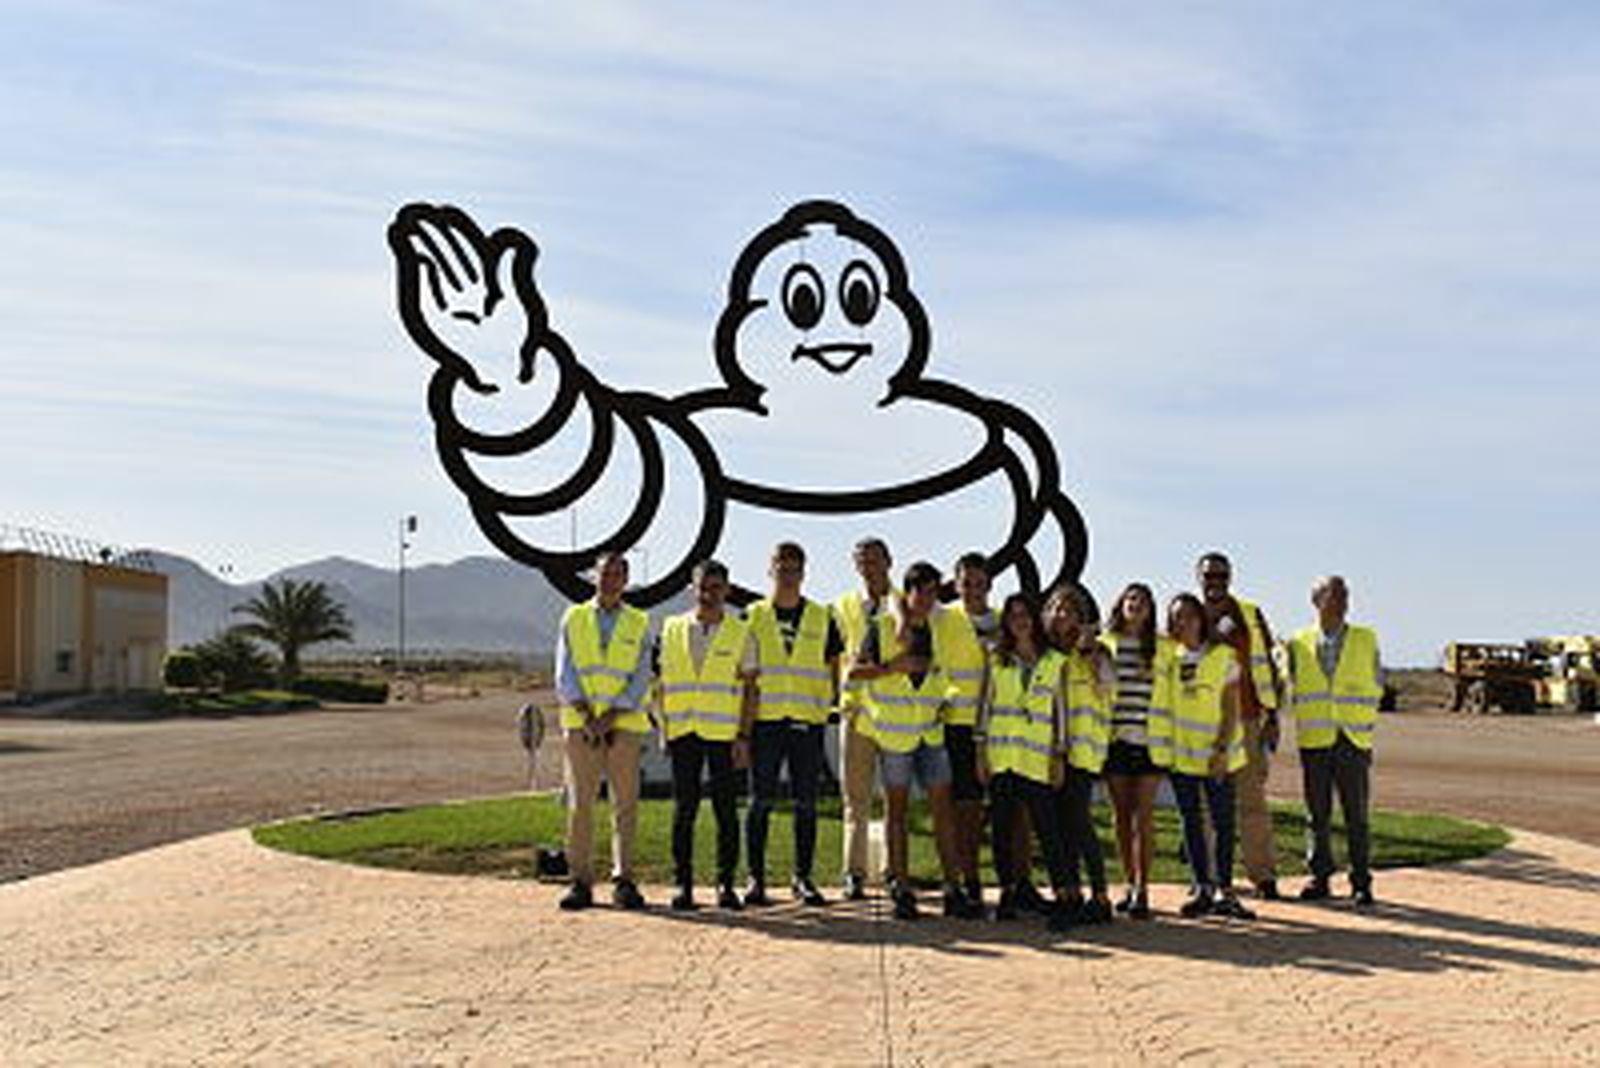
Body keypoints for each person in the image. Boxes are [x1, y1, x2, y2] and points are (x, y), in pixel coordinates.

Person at [852, 561, 981, 920]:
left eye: (932, 592)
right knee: (897, 811)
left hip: (930, 732)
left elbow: (945, 674)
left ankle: (952, 888)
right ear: (906, 592)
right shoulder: (882, 628)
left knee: (944, 810)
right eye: (920, 591)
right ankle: (902, 889)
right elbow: (855, 671)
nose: (926, 599)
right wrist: (892, 668)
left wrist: (948, 698)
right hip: (895, 737)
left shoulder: (940, 629)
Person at [744, 541, 842, 907]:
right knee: (760, 802)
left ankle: (803, 878)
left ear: (803, 572)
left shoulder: (820, 615)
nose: (787, 574)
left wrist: (824, 703)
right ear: (770, 571)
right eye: (780, 567)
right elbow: (746, 670)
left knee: (806, 803)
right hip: (766, 721)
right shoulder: (753, 615)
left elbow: (833, 662)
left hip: (806, 721)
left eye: (794, 568)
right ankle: (755, 878)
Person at [655, 559, 756, 911]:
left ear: (727, 591)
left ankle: (725, 885)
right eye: (702, 587)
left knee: (726, 812)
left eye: (716, 588)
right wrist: (664, 729)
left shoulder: (740, 631)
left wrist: (744, 737)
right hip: (683, 732)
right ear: (691, 589)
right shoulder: (670, 628)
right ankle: (682, 885)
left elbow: (750, 689)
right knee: (684, 811)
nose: (709, 594)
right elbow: (661, 685)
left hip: (724, 735)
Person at [554, 551, 653, 911]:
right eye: (604, 573)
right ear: (594, 577)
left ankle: (623, 880)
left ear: (626, 580)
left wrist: (609, 717)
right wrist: (587, 715)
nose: (610, 579)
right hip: (581, 728)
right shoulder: (574, 617)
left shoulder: (640, 622)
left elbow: (642, 676)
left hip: (623, 727)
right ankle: (580, 881)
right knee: (580, 805)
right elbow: (565, 674)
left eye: (617, 574)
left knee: (625, 806)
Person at [977, 592, 1077, 931]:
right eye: (1013, 614)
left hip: (1037, 760)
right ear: (1006, 621)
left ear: (1035, 619)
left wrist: (1059, 755)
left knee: (1048, 832)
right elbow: (984, 708)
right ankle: (1007, 893)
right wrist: (981, 753)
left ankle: (1064, 896)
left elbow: (1061, 712)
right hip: (1002, 758)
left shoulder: (1055, 661)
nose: (1019, 620)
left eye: (1025, 613)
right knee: (1002, 830)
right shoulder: (996, 658)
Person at [1287, 575, 1383, 907]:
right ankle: (1320, 876)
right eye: (1334, 594)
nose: (1342, 601)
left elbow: (1376, 684)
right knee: (1317, 814)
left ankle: (1361, 881)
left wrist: (1365, 724)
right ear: (1317, 600)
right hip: (1315, 739)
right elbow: (1286, 679)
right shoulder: (1298, 642)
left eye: (1345, 594)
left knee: (1356, 815)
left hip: (1352, 739)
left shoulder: (1365, 638)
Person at [1198, 551, 1285, 900]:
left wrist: (1272, 715)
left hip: (1247, 719)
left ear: (1230, 578)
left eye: (1221, 575)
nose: (1215, 581)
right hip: (1203, 725)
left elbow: (1269, 666)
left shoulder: (1249, 614)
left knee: (1252, 801)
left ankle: (1262, 874)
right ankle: (1208, 877)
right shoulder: (1189, 615)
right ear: (1199, 579)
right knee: (1205, 806)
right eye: (1209, 576)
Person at [1162, 592, 1254, 920]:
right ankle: (1202, 886)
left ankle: (1226, 890)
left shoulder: (1224, 656)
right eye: (1175, 617)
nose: (1182, 621)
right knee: (1190, 822)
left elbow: (1231, 709)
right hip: (1182, 756)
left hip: (1217, 755)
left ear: (1201, 618)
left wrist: (1219, 749)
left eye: (1188, 614)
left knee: (1223, 823)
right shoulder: (1169, 658)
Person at [1044, 584, 1115, 925]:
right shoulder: (1049, 655)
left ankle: (1100, 896)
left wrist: (1093, 655)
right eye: (1057, 608)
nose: (1062, 615)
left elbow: (1106, 687)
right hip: (1050, 752)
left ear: (1081, 617)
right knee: (1059, 827)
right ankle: (1070, 893)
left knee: (1079, 823)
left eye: (1069, 610)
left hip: (1082, 753)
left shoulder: (1095, 653)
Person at [1101, 582, 1172, 920]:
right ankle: (1128, 883)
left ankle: (1143, 888)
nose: (1135, 605)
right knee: (1120, 816)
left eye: (1142, 601)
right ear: (1120, 604)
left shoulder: (1161, 647)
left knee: (1143, 815)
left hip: (1149, 741)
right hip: (1114, 740)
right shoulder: (1105, 643)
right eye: (1130, 598)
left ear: (1150, 609)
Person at [930, 551, 997, 907]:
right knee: (955, 808)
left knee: (978, 809)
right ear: (955, 585)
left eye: (978, 582)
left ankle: (976, 878)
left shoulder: (1002, 622)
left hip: (992, 729)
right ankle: (956, 881)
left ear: (989, 584)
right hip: (953, 727)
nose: (972, 589)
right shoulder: (943, 618)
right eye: (965, 583)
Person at [832, 537, 896, 900]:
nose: (869, 566)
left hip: (893, 715)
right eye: (862, 561)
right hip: (856, 715)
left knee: (893, 797)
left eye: (875, 560)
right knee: (854, 798)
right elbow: (834, 658)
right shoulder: (843, 606)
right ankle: (853, 873)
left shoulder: (904, 603)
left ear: (889, 562)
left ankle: (891, 870)